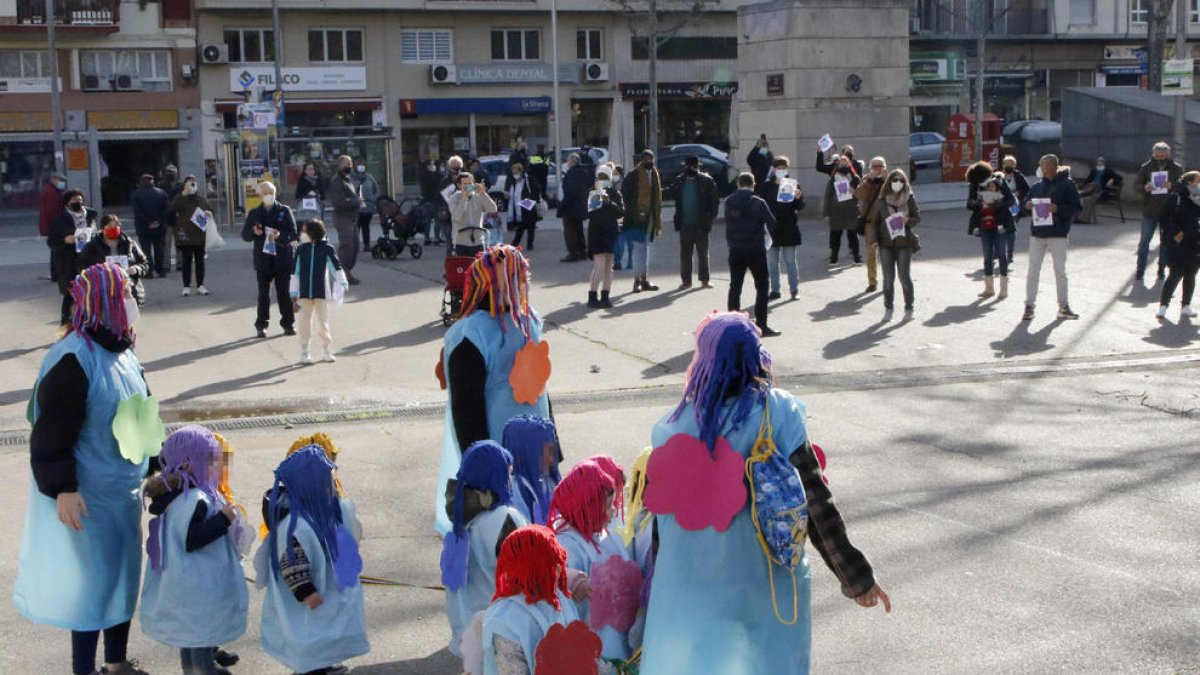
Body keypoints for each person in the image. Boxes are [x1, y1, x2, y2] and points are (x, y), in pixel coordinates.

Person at [638, 311, 890, 675]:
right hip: (764, 589)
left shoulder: (669, 429)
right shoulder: (777, 415)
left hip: (688, 592)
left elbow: (660, 528)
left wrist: (651, 590)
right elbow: (816, 506)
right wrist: (857, 578)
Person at [15, 262, 154, 675]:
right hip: (89, 497)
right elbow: (51, 433)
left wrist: (159, 468)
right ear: (105, 300)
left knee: (121, 580)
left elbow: (142, 414)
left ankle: (115, 662)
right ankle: (84, 668)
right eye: (126, 292)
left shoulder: (122, 350)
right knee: (92, 588)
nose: (133, 299)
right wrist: (63, 487)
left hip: (122, 494)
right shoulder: (73, 360)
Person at [436, 245, 551, 534]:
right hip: (497, 452)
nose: (524, 284)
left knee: (535, 519)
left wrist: (553, 445)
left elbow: (542, 389)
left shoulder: (528, 322)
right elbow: (466, 409)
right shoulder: (470, 334)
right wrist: (481, 467)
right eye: (518, 277)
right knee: (501, 528)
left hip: (535, 449)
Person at [139, 425, 249, 675]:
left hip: (183, 582)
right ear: (189, 464)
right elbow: (193, 538)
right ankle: (202, 671)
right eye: (211, 461)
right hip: (197, 584)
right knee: (199, 635)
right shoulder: (195, 499)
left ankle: (195, 670)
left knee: (190, 638)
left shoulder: (176, 495)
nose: (217, 467)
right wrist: (224, 519)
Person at [256, 446, 370, 675]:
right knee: (310, 641)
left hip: (324, 594)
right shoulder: (295, 526)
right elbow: (292, 563)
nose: (332, 486)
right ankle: (311, 671)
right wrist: (306, 592)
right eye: (327, 481)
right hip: (309, 599)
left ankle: (322, 665)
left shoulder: (318, 514)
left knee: (323, 637)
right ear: (309, 486)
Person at [443, 441, 528, 656]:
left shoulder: (460, 518)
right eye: (508, 473)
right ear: (496, 476)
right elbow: (526, 574)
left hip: (469, 632)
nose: (511, 480)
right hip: (501, 634)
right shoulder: (505, 519)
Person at [550, 460, 636, 663]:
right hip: (598, 654)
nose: (614, 510)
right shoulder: (567, 544)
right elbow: (555, 575)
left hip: (621, 644)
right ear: (587, 507)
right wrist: (572, 579)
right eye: (606, 506)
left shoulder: (601, 532)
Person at [478, 525, 582, 674]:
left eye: (560, 561)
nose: (560, 569)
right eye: (552, 563)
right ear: (529, 567)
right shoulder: (504, 620)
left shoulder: (558, 597)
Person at [1023, 154, 1082, 321]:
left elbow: (1077, 208)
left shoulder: (1068, 185)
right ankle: (1029, 305)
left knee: (1060, 272)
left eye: (1042, 165)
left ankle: (1063, 306)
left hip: (1058, 234)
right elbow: (1026, 202)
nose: (1040, 168)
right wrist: (1027, 206)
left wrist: (1058, 209)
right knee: (1033, 271)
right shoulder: (1037, 186)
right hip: (1037, 234)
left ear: (1051, 166)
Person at [724, 172, 780, 337]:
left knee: (735, 286)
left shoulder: (729, 201)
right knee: (762, 286)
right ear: (753, 184)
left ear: (738, 184)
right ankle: (761, 325)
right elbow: (772, 223)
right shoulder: (758, 202)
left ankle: (733, 325)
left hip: (735, 249)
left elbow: (729, 222)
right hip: (755, 249)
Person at [241, 181, 297, 338]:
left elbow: (293, 234)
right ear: (260, 195)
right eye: (265, 193)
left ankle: (288, 323)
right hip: (263, 259)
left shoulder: (284, 210)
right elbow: (245, 236)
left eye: (270, 192)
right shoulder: (254, 213)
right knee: (263, 294)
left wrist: (281, 236)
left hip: (282, 258)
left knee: (284, 293)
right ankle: (261, 325)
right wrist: (255, 232)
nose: (268, 196)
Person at [290, 218, 348, 365]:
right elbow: (294, 273)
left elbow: (336, 267)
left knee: (323, 322)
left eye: (304, 231)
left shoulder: (327, 249)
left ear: (312, 233)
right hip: (303, 294)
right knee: (304, 322)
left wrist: (342, 281)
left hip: (322, 293)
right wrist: (293, 294)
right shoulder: (301, 250)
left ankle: (326, 349)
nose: (301, 233)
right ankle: (304, 351)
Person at [864, 169, 921, 315]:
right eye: (895, 180)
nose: (898, 183)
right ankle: (888, 308)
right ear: (889, 182)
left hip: (904, 243)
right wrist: (873, 240)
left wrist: (908, 220)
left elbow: (917, 218)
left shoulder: (909, 199)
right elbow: (872, 223)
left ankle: (909, 307)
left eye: (901, 180)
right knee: (888, 279)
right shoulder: (881, 201)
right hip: (886, 244)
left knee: (904, 277)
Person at [1136, 141, 1185, 282]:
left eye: (1163, 156)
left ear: (1168, 154)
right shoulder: (1146, 167)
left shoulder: (1177, 169)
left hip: (1168, 212)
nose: (1160, 158)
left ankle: (1161, 269)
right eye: (1157, 156)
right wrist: (1145, 187)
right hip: (1149, 210)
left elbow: (1183, 187)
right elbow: (1136, 185)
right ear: (1153, 154)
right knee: (1144, 241)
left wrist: (1172, 185)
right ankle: (1140, 270)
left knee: (1165, 243)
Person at [501, 415, 562, 526]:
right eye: (545, 452)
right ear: (524, 455)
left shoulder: (548, 479)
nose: (552, 458)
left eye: (552, 449)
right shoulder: (515, 494)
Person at [78, 215, 151, 307]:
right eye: (110, 226)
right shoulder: (92, 245)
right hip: (103, 290)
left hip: (128, 290)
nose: (113, 229)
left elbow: (145, 263)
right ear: (103, 228)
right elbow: (81, 265)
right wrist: (98, 271)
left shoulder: (129, 243)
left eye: (116, 226)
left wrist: (136, 269)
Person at [966, 163, 1015, 300]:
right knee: (987, 256)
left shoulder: (998, 181)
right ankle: (989, 288)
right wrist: (977, 204)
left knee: (1001, 254)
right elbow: (969, 203)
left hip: (1001, 223)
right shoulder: (974, 185)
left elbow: (1011, 200)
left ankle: (1004, 288)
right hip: (984, 223)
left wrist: (996, 203)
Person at [48, 190, 97, 326]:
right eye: (74, 201)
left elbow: (97, 235)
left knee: (91, 292)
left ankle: (90, 324)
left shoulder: (91, 215)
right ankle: (65, 325)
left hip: (89, 260)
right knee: (70, 295)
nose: (78, 203)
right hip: (68, 261)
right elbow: (52, 242)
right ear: (67, 204)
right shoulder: (59, 220)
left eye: (80, 200)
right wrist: (65, 240)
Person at [1155, 171, 1200, 319]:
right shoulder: (1177, 197)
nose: (1198, 184)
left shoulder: (1198, 199)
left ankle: (1186, 306)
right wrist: (1176, 232)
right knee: (1175, 274)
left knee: (1191, 275)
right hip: (1178, 243)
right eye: (1196, 181)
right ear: (1189, 182)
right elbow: (1163, 217)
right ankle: (1163, 305)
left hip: (1195, 243)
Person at [671, 155, 720, 290]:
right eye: (687, 166)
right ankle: (686, 281)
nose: (689, 169)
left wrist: (709, 219)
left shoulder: (707, 181)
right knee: (685, 253)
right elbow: (673, 196)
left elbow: (714, 202)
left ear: (697, 167)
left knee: (702, 253)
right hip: (684, 223)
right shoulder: (680, 180)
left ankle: (705, 280)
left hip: (701, 223)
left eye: (692, 166)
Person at [620, 150, 664, 292]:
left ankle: (645, 280)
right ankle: (636, 281)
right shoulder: (632, 176)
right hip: (636, 219)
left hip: (650, 218)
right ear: (641, 160)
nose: (649, 162)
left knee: (645, 249)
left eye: (651, 159)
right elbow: (625, 197)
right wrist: (635, 213)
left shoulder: (654, 174)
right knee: (638, 250)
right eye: (646, 159)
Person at [763, 155, 806, 300]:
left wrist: (798, 197)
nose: (781, 170)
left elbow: (799, 206)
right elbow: (762, 205)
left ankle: (794, 289)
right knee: (773, 263)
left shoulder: (792, 184)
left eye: (783, 168)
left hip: (788, 227)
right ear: (774, 169)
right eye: (778, 168)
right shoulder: (767, 186)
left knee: (790, 261)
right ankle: (775, 290)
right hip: (772, 228)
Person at [585, 165, 625, 309]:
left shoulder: (615, 193)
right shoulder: (592, 192)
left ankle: (605, 296)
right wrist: (598, 197)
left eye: (606, 177)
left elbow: (620, 212)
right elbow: (589, 214)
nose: (604, 180)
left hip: (611, 232)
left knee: (609, 267)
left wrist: (610, 202)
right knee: (600, 266)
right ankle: (592, 295)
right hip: (596, 233)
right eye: (601, 177)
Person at [168, 175, 212, 297]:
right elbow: (172, 207)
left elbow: (210, 210)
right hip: (185, 236)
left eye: (193, 184)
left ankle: (200, 285)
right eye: (188, 184)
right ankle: (186, 286)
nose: (191, 186)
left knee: (200, 262)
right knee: (186, 262)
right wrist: (183, 193)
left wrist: (209, 213)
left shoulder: (201, 199)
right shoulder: (180, 198)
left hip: (199, 235)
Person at [327, 155, 363, 286]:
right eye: (347, 164)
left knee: (355, 246)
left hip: (352, 217)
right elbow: (339, 201)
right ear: (340, 165)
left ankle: (347, 271)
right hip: (343, 218)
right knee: (347, 246)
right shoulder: (337, 181)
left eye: (351, 164)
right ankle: (343, 273)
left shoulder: (349, 179)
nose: (350, 166)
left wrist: (357, 200)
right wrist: (356, 202)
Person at [853, 157, 888, 292]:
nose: (878, 169)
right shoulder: (866, 180)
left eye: (880, 166)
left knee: (886, 253)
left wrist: (886, 180)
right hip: (870, 222)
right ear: (870, 168)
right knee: (871, 253)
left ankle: (887, 280)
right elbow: (859, 195)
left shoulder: (890, 180)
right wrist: (870, 180)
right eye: (875, 166)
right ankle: (872, 281)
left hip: (886, 222)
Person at [822, 154, 862, 265]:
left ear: (849, 164)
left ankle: (856, 257)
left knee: (853, 235)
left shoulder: (855, 178)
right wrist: (826, 213)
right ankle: (834, 258)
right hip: (836, 212)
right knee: (836, 236)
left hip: (851, 211)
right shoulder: (833, 179)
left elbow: (862, 194)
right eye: (841, 163)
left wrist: (855, 192)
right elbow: (828, 196)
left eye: (846, 162)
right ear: (838, 164)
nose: (843, 164)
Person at [449, 172, 499, 257]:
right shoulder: (454, 199)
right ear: (459, 185)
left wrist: (483, 194)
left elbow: (493, 209)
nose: (468, 186)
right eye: (465, 184)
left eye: (470, 183)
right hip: (461, 242)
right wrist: (464, 199)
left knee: (479, 269)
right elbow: (456, 217)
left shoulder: (478, 196)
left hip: (478, 241)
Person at [130, 174, 170, 278]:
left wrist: (148, 222)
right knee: (159, 248)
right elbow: (166, 210)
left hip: (143, 227)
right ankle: (160, 270)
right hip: (159, 227)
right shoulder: (162, 193)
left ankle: (149, 271)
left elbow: (137, 211)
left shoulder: (136, 194)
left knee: (145, 249)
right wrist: (158, 221)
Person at [558, 154, 591, 262]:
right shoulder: (583, 173)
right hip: (580, 206)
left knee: (570, 231)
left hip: (571, 207)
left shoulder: (571, 174)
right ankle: (582, 251)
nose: (567, 163)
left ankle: (573, 253)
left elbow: (570, 193)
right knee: (578, 229)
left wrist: (562, 205)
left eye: (568, 161)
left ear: (572, 162)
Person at [1000, 155, 1030, 265]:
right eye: (1006, 164)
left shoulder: (1019, 176)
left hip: (1014, 207)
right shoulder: (998, 176)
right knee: (999, 230)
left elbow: (1027, 189)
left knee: (1011, 230)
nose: (1009, 166)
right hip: (1001, 207)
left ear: (1015, 165)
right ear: (1002, 165)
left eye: (1011, 164)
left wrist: (1019, 193)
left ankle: (1010, 254)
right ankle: (998, 252)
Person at [506, 162, 542, 250]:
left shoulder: (528, 180)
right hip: (518, 210)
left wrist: (529, 201)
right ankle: (515, 244)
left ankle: (529, 244)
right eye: (513, 173)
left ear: (521, 172)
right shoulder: (513, 183)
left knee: (530, 227)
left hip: (527, 207)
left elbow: (536, 190)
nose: (515, 175)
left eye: (516, 172)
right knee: (520, 227)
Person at [1078, 156, 1123, 225]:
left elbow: (1119, 178)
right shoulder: (1094, 171)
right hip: (1091, 189)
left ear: (1104, 163)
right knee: (1082, 198)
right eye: (1098, 162)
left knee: (1089, 199)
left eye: (1101, 162)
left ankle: (1084, 219)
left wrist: (1112, 180)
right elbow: (1087, 181)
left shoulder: (1108, 171)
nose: (1099, 163)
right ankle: (1079, 218)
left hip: (1101, 191)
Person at [39, 172, 67, 282]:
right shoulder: (51, 192)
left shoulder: (52, 190)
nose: (62, 183)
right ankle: (56, 275)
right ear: (54, 179)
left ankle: (56, 274)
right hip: (54, 226)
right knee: (57, 250)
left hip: (52, 225)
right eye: (61, 180)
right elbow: (53, 211)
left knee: (55, 250)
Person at [353, 159, 381, 253]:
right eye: (358, 164)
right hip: (356, 207)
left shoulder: (369, 177)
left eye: (362, 164)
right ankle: (355, 246)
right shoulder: (352, 178)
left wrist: (373, 199)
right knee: (356, 227)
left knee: (366, 226)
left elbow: (376, 189)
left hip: (368, 207)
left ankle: (366, 245)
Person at [159, 164, 183, 271]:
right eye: (169, 172)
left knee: (180, 244)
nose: (170, 174)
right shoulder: (161, 186)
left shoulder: (181, 185)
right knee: (166, 245)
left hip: (180, 218)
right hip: (167, 219)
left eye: (172, 172)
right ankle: (166, 265)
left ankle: (180, 264)